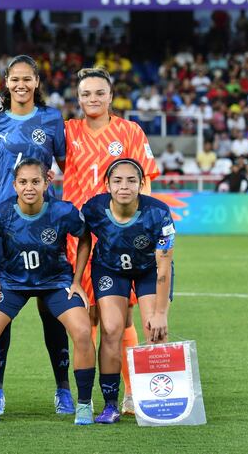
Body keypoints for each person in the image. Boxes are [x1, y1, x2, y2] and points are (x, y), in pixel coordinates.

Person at [0, 159, 96, 426]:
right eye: (23, 182)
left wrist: (76, 281)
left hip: (55, 282)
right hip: (12, 283)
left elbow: (85, 237)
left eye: (35, 181)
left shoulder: (63, 212)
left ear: (46, 183)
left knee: (83, 332)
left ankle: (84, 404)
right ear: (14, 185)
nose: (29, 187)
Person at [63, 67, 159, 415]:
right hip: (79, 238)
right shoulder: (68, 131)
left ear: (110, 95)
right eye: (86, 94)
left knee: (122, 319)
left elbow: (144, 180)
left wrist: (138, 226)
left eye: (99, 93)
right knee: (83, 316)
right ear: (78, 97)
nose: (92, 99)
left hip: (121, 240)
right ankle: (86, 398)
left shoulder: (129, 131)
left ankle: (133, 393)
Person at [0, 55, 72, 416]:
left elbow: (68, 164)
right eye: (14, 79)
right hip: (4, 224)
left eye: (27, 79)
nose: (20, 85)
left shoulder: (51, 119)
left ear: (36, 82)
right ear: (6, 81)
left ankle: (64, 389)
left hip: (45, 225)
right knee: (1, 308)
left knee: (54, 311)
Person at [77, 158, 175, 424]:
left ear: (141, 184)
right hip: (110, 269)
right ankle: (110, 404)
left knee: (154, 329)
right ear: (107, 184)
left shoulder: (159, 213)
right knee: (110, 330)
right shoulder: (94, 208)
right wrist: (76, 279)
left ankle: (157, 401)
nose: (124, 186)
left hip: (149, 270)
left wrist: (161, 312)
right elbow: (83, 238)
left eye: (131, 180)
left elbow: (164, 265)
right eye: (117, 180)